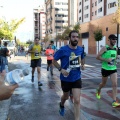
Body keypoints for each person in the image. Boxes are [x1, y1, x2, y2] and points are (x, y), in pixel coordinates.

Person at [53, 30, 85, 120]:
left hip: (76, 77)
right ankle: (61, 104)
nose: (75, 39)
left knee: (77, 100)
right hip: (66, 78)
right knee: (65, 97)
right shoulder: (63, 49)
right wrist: (61, 69)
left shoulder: (80, 49)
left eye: (77, 37)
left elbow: (82, 58)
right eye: (73, 37)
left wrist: (82, 65)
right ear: (69, 38)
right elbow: (54, 61)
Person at [96, 34, 120, 107]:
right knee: (103, 84)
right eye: (113, 39)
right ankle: (98, 90)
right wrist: (106, 59)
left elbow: (115, 58)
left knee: (115, 84)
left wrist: (117, 59)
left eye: (115, 39)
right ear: (109, 40)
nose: (114, 40)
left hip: (113, 68)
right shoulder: (105, 48)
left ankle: (114, 101)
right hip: (105, 69)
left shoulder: (116, 48)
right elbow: (97, 57)